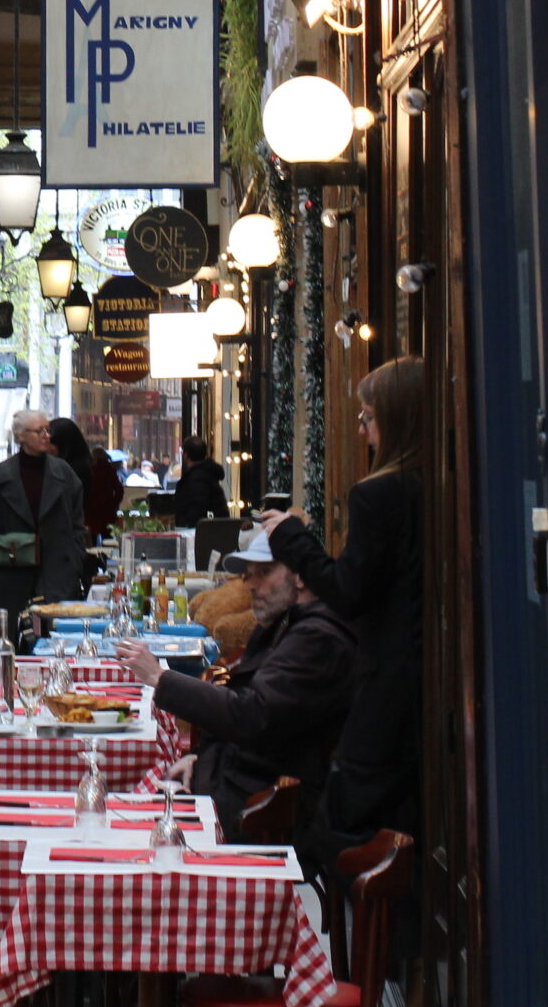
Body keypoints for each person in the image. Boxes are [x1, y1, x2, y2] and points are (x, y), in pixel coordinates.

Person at [262, 356, 427, 865]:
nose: (363, 430)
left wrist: (290, 535)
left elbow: (348, 591)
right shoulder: (437, 484)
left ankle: (373, 933)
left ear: (395, 419)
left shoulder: (378, 494)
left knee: (344, 823)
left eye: (368, 417)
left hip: (388, 683)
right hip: (425, 680)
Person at [115, 530, 356, 837]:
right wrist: (200, 758)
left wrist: (159, 679)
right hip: (236, 787)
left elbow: (252, 715)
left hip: (265, 815)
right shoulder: (285, 625)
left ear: (300, 576)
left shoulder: (317, 638)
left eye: (265, 572)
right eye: (249, 575)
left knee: (129, 828)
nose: (252, 585)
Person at [0, 409, 83, 636]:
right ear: (21, 435)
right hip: (12, 574)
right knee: (10, 641)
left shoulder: (64, 474)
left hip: (57, 573)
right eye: (39, 431)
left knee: (55, 641)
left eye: (48, 430)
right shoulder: (2, 475)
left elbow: (77, 524)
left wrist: (74, 560)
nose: (46, 435)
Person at [49, 418, 123, 539]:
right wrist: (112, 505)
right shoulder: (101, 467)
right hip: (103, 512)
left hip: (89, 515)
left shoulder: (73, 469)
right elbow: (118, 489)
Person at [170, 434, 235, 559]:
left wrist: (185, 524)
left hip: (198, 536)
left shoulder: (196, 478)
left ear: (186, 455)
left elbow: (197, 507)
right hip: (214, 532)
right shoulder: (207, 475)